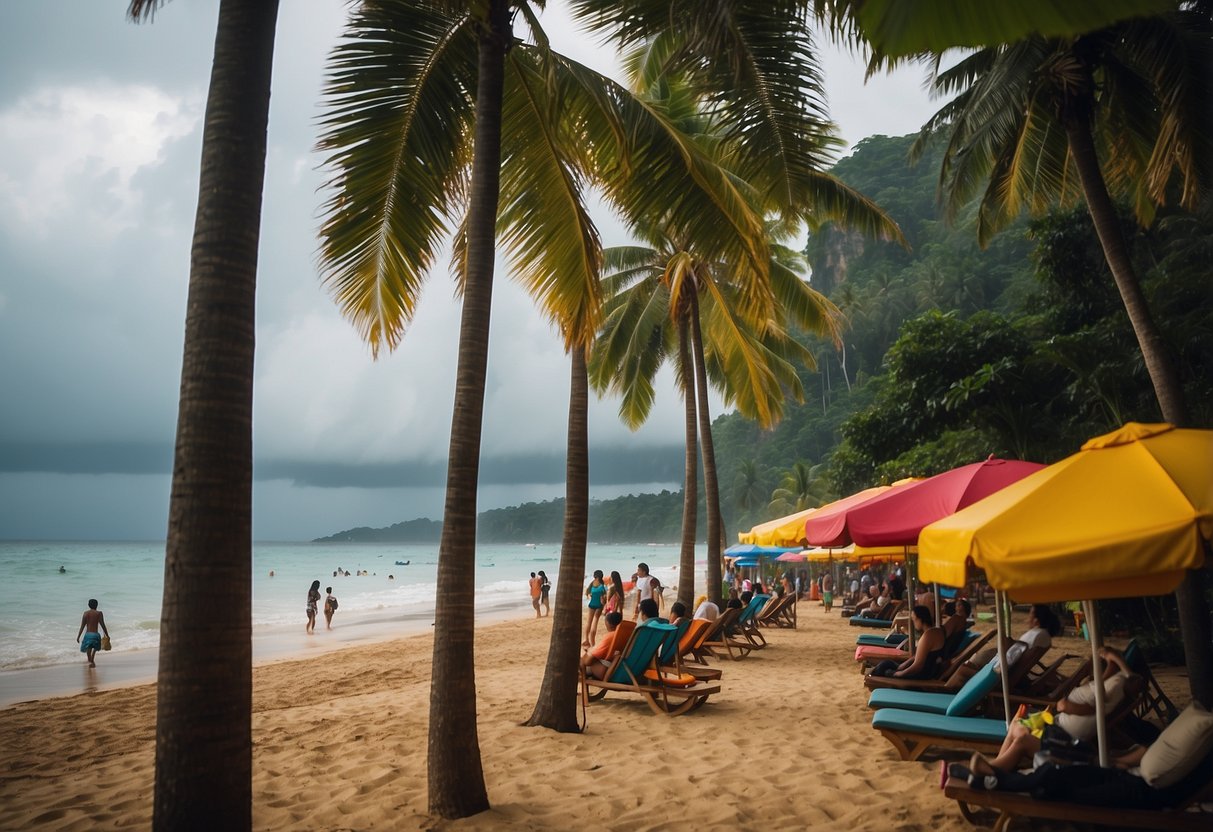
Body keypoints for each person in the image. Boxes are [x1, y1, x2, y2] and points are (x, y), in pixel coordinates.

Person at [971, 645, 1136, 774]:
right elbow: (1099, 686)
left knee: (1022, 738)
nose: (1089, 665)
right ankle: (997, 766)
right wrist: (1113, 662)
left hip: (1064, 740)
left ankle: (994, 770)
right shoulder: (1108, 680)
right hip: (1057, 729)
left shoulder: (1118, 683)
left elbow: (1093, 707)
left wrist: (1066, 706)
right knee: (1016, 725)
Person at [869, 605, 947, 679]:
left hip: (924, 674)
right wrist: (903, 665)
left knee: (885, 670)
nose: (914, 623)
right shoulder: (937, 630)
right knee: (886, 664)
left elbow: (918, 665)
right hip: (930, 670)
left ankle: (873, 680)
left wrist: (900, 674)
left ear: (920, 619)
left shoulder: (927, 636)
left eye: (914, 619)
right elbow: (921, 655)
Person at [993, 604, 1061, 670]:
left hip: (1005, 670)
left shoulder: (1034, 635)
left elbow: (1010, 658)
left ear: (1036, 620)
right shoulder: (1045, 635)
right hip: (1018, 668)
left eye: (1030, 614)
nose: (1028, 618)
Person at [581, 612, 624, 680]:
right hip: (617, 668)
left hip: (604, 670)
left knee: (580, 660)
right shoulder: (624, 635)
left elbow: (587, 661)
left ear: (608, 624)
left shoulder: (611, 636)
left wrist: (587, 652)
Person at [76, 599, 109, 668]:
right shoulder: (99, 613)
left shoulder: (85, 613)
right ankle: (92, 660)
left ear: (88, 605)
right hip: (95, 635)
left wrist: (78, 636)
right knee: (95, 648)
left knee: (89, 648)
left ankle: (90, 661)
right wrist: (107, 635)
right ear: (97, 605)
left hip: (88, 635)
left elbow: (82, 626)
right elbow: (103, 625)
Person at [584, 570, 607, 646]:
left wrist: (591, 596)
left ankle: (586, 640)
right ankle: (592, 642)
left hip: (591, 604)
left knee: (588, 623)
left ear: (595, 576)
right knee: (595, 623)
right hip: (599, 606)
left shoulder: (592, 584)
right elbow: (603, 599)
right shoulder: (602, 586)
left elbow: (587, 593)